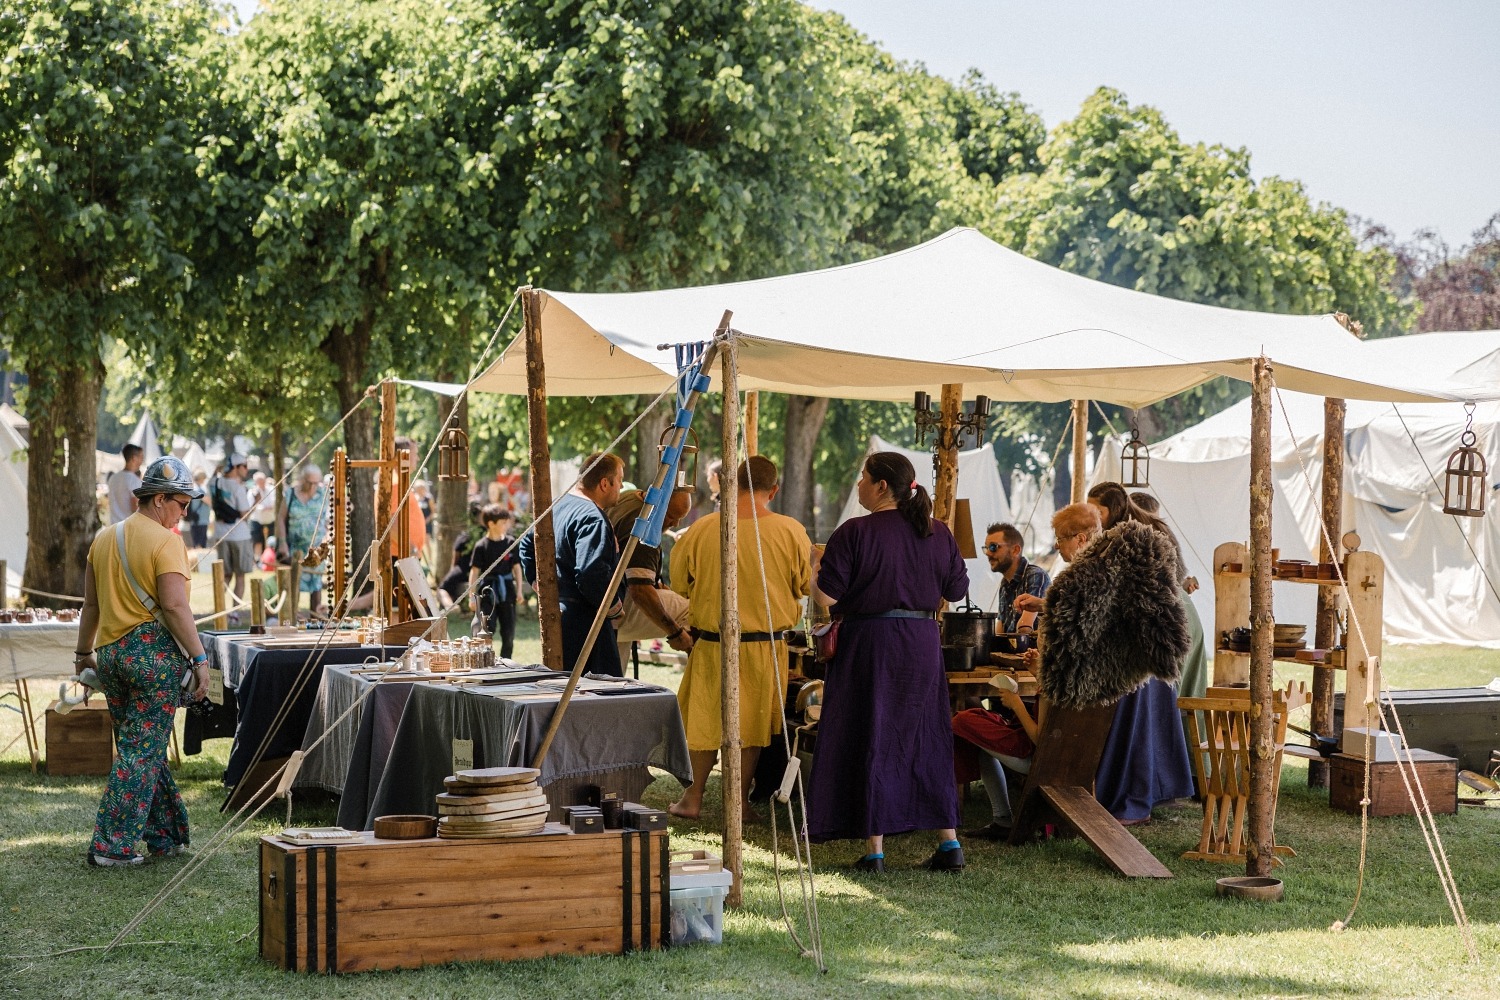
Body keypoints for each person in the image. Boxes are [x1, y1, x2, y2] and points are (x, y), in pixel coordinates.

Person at [806, 451, 970, 872]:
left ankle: (875, 849)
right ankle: (949, 844)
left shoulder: (855, 532)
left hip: (871, 644)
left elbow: (826, 597)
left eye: (863, 477)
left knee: (873, 732)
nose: (858, 485)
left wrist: (812, 568)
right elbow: (956, 589)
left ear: (881, 486)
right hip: (922, 643)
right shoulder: (939, 532)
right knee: (925, 734)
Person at [74, 455, 209, 866]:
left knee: (141, 746)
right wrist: (200, 658)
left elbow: (91, 606)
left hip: (111, 655)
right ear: (159, 499)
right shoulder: (167, 541)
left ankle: (167, 835)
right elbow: (174, 605)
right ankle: (112, 847)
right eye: (182, 504)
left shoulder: (103, 538)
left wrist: (82, 654)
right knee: (140, 752)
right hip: (152, 657)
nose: (185, 513)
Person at [667, 457, 810, 821]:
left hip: (714, 643)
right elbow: (806, 585)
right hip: (766, 645)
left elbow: (680, 586)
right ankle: (739, 803)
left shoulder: (700, 529)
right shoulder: (791, 530)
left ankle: (694, 797)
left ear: (729, 485)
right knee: (754, 725)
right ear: (773, 490)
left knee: (704, 721)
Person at [952, 503, 1100, 839]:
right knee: (971, 719)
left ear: (1079, 539)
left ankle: (997, 816)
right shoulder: (1068, 671)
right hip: (1055, 737)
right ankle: (1001, 818)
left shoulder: (1052, 579)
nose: (1056, 545)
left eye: (1061, 538)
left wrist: (1014, 700)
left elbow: (1040, 739)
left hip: (1043, 753)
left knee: (963, 721)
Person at [1081, 481, 1197, 823]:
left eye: (1097, 511)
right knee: (1149, 716)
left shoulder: (1133, 537)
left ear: (1112, 509)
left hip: (1147, 638)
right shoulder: (1136, 531)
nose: (1093, 517)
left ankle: (1135, 797)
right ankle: (1153, 791)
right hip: (1156, 635)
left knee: (1138, 718)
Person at [519, 451, 626, 676]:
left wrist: (542, 587)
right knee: (594, 698)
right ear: (605, 483)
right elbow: (590, 573)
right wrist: (614, 607)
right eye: (619, 481)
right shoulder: (592, 517)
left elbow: (526, 545)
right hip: (585, 624)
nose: (621, 487)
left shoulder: (558, 506)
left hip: (561, 616)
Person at [608, 483, 695, 668]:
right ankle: (701, 682)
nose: (675, 524)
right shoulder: (645, 524)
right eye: (672, 516)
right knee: (697, 612)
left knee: (611, 673)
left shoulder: (629, 497)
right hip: (618, 607)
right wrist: (676, 633)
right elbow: (640, 591)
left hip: (605, 604)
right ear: (659, 504)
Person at [469, 504, 523, 658]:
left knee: (509, 632)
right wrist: (472, 596)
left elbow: (517, 569)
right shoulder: (481, 546)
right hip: (488, 593)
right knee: (486, 629)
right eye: (503, 523)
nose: (506, 525)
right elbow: (474, 572)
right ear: (491, 524)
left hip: (507, 592)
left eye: (507, 522)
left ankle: (507, 661)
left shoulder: (510, 543)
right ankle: (486, 660)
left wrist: (519, 591)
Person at [209, 454, 254, 624]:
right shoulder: (238, 488)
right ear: (236, 467)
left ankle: (219, 611)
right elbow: (244, 514)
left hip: (221, 534)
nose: (246, 470)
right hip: (239, 535)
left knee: (225, 575)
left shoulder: (214, 482)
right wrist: (256, 502)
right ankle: (234, 614)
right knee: (240, 576)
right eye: (244, 466)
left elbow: (211, 481)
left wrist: (217, 471)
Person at [984, 522, 1050, 634]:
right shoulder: (1005, 583)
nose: (988, 553)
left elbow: (1024, 628)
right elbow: (1000, 631)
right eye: (986, 548)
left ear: (1015, 550)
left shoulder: (1035, 575)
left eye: (993, 547)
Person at [281, 465, 328, 617]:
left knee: (316, 586)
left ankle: (315, 619)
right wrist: (281, 542)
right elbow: (280, 519)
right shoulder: (290, 494)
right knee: (295, 583)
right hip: (296, 549)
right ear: (302, 480)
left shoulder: (323, 494)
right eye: (310, 482)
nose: (314, 486)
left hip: (317, 549)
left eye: (317, 483)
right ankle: (293, 618)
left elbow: (343, 508)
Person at [439, 499, 485, 606]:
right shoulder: (486, 535)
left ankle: (450, 607)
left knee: (442, 589)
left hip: (463, 570)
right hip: (481, 570)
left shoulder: (465, 536)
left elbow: (455, 558)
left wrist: (452, 572)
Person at [107, 444, 145, 524]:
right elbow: (135, 508)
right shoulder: (134, 481)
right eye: (141, 457)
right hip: (127, 528)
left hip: (113, 527)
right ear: (134, 458)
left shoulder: (113, 478)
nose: (142, 460)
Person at [247, 471, 278, 556]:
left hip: (270, 519)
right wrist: (263, 508)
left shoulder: (272, 489)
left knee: (271, 540)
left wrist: (265, 507)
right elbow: (251, 506)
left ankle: (270, 557)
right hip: (257, 519)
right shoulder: (252, 492)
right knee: (257, 540)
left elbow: (274, 503)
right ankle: (258, 558)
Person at [185, 470, 211, 551]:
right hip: (201, 520)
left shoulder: (192, 490)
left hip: (194, 520)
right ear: (201, 479)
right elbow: (209, 502)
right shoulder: (200, 491)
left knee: (195, 543)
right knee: (201, 545)